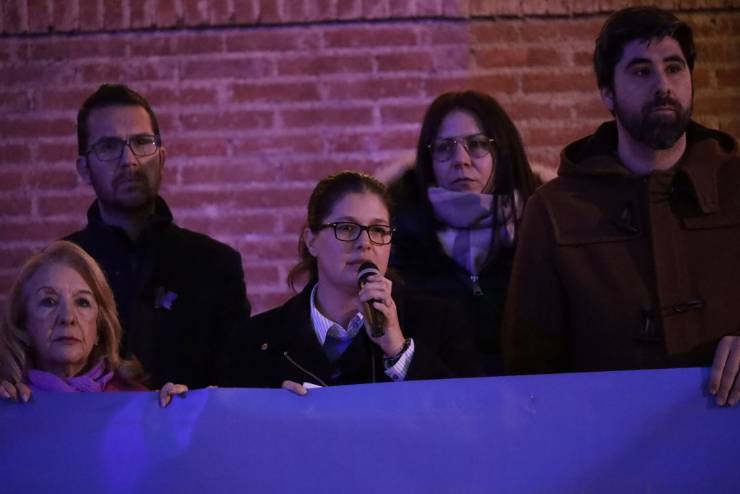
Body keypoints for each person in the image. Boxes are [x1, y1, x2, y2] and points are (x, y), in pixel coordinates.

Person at [503, 7, 740, 407]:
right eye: (641, 71)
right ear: (607, 93)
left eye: (674, 68)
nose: (663, 85)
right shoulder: (554, 210)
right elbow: (530, 372)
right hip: (607, 434)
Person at [64, 84, 250, 389]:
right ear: (84, 169)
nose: (129, 160)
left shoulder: (216, 265)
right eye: (108, 147)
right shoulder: (61, 268)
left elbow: (237, 383)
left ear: (161, 159)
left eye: (142, 142)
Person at [238, 171, 482, 394]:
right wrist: (275, 408)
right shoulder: (256, 339)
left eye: (378, 230)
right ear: (311, 241)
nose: (365, 243)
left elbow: (466, 410)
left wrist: (398, 351)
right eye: (346, 228)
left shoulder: (438, 324)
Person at [388, 90, 537, 375]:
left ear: (503, 151)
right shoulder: (395, 243)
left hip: (531, 398)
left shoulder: (541, 232)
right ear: (428, 160)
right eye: (444, 147)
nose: (461, 160)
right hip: (432, 399)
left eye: (477, 144)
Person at [0, 241, 187, 406]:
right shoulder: (7, 403)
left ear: (99, 328)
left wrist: (173, 417)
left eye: (82, 302)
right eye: (49, 301)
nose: (68, 317)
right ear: (23, 324)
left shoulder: (135, 402)